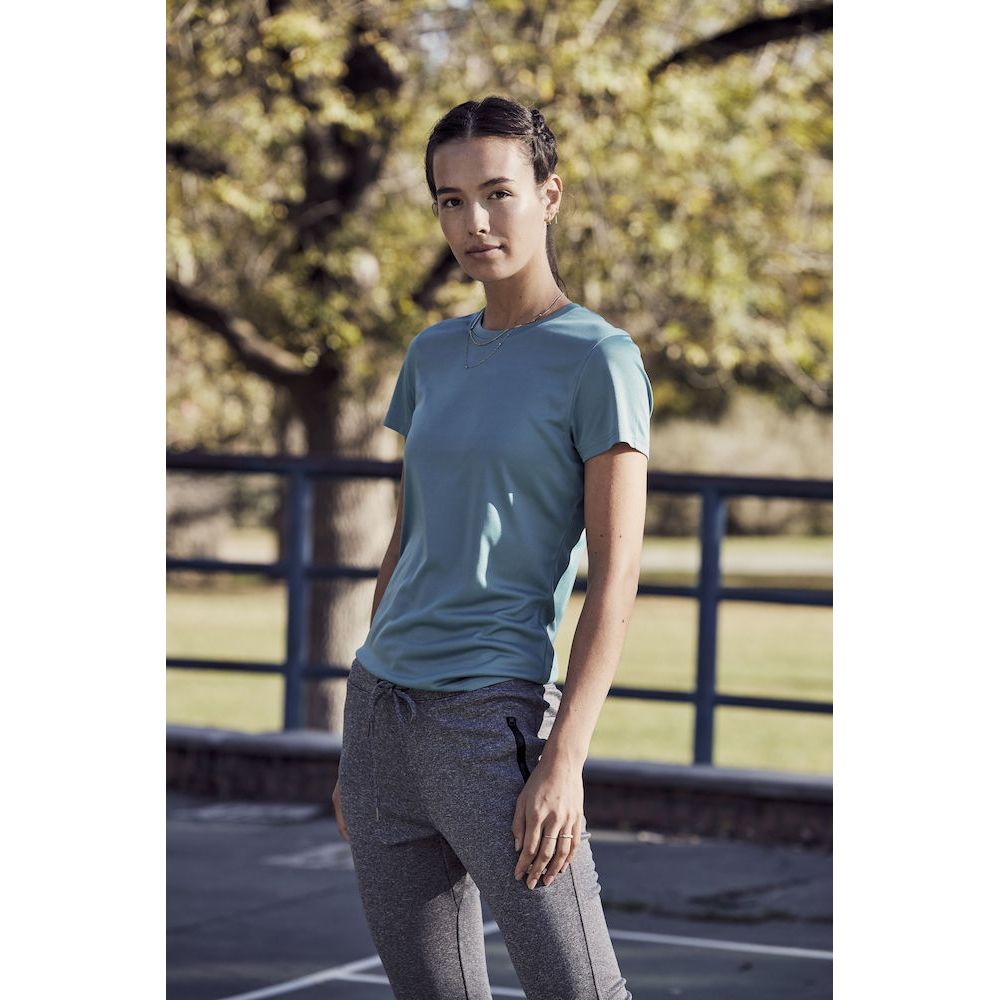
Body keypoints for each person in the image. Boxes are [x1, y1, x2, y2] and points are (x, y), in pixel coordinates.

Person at [332, 95, 651, 1000]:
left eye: (498, 193)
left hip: (491, 723)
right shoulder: (431, 354)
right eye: (451, 200)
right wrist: (360, 736)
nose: (474, 221)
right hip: (381, 716)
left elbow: (616, 577)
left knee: (580, 990)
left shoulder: (599, 359)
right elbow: (407, 540)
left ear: (548, 196)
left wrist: (564, 760)